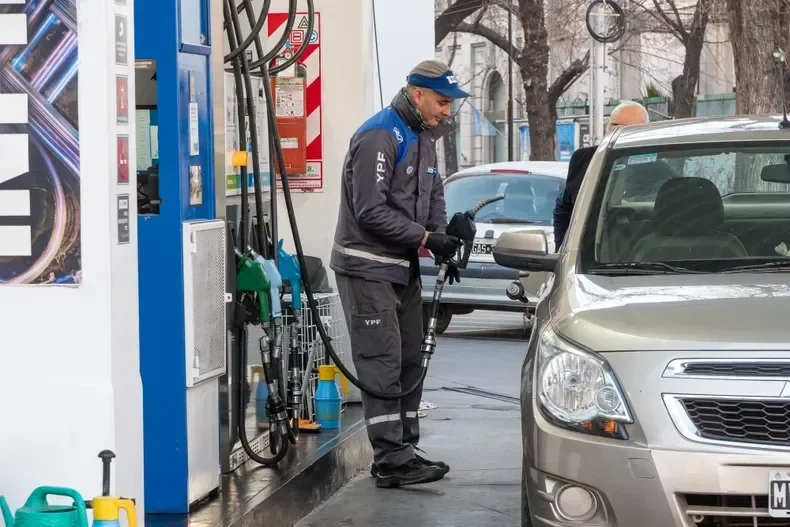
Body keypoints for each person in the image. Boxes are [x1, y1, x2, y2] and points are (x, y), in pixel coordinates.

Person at [330, 60, 470, 488]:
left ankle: (405, 448)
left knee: (410, 358)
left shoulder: (425, 136)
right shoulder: (380, 135)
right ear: (417, 95)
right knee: (382, 362)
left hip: (401, 268)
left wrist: (445, 238)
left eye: (450, 104)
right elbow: (371, 211)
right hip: (367, 267)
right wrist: (426, 237)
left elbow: (434, 193)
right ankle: (391, 459)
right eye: (442, 102)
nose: (447, 111)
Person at [552, 100, 650, 250]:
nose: (620, 133)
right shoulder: (584, 159)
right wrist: (561, 248)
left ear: (645, 131)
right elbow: (565, 206)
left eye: (632, 129)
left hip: (637, 255)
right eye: (616, 126)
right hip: (584, 256)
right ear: (607, 126)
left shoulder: (655, 167)